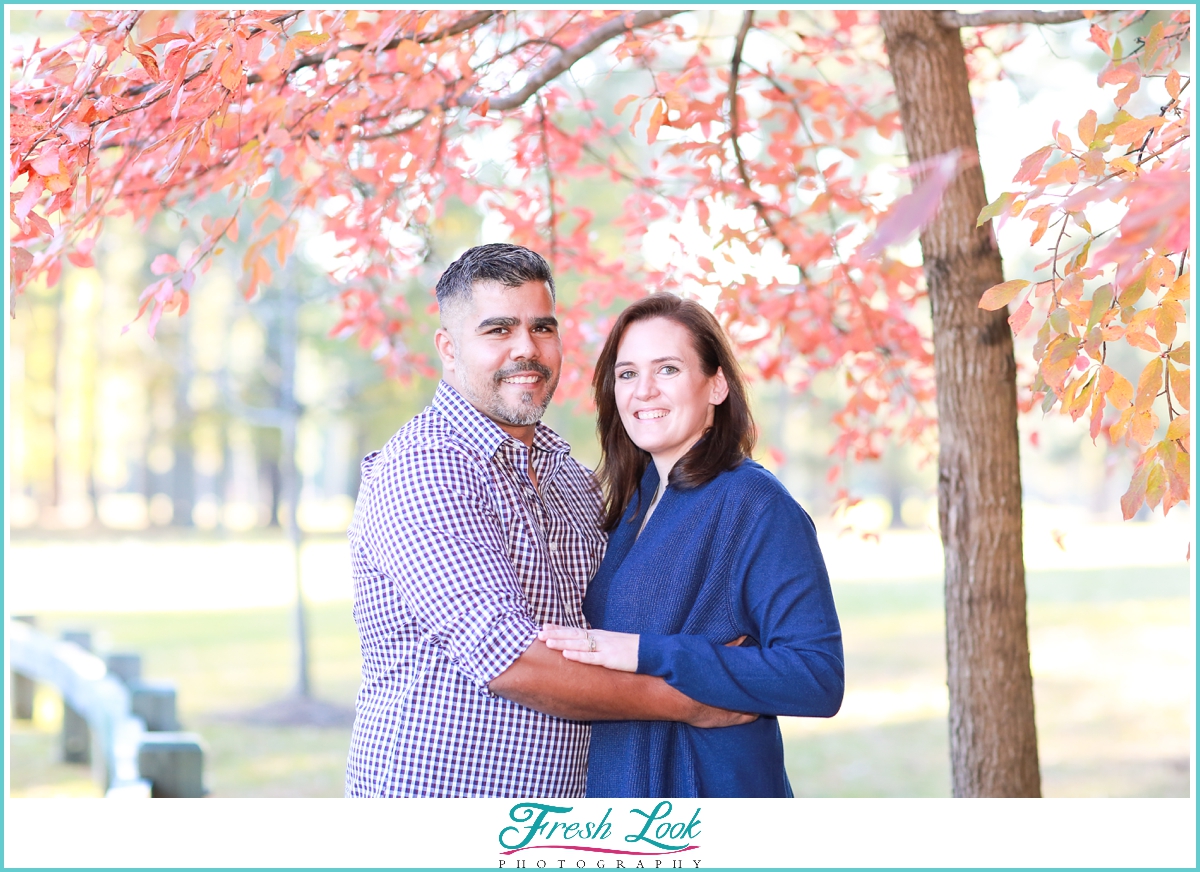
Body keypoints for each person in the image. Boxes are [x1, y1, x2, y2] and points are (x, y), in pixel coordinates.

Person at [344, 245, 749, 798]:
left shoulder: (569, 476)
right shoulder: (424, 469)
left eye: (542, 328)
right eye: (498, 330)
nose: (526, 350)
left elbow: (628, 619)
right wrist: (697, 700)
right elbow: (513, 663)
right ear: (449, 348)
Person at [541, 293, 844, 797]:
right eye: (628, 373)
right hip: (625, 798)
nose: (644, 392)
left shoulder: (754, 502)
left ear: (717, 385)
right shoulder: (633, 504)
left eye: (668, 369)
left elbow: (816, 676)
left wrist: (648, 652)